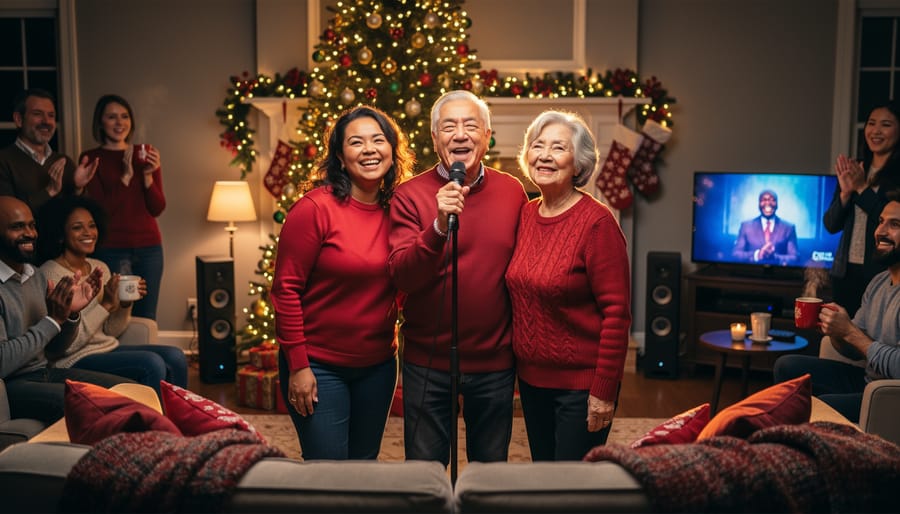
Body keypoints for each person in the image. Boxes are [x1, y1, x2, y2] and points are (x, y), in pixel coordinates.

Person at [388, 90, 528, 466]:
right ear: (435, 138)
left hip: (495, 363)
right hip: (427, 363)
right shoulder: (409, 195)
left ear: (487, 135)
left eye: (471, 125)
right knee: (426, 475)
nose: (461, 134)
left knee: (489, 474)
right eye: (449, 126)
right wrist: (437, 226)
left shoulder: (512, 192)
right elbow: (403, 275)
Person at [270, 105, 414, 460]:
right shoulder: (314, 209)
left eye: (378, 140)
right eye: (356, 142)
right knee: (328, 472)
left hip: (378, 365)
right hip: (318, 364)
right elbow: (285, 290)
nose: (369, 150)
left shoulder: (402, 211)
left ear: (392, 150)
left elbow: (407, 277)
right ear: (339, 155)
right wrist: (299, 365)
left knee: (363, 467)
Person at [505, 110, 631, 461]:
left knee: (571, 483)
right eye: (538, 145)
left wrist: (603, 390)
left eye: (558, 148)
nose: (544, 155)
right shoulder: (525, 215)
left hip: (581, 386)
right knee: (545, 475)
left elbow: (617, 314)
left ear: (578, 163)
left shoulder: (597, 224)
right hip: (531, 383)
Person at [36, 195, 187, 395]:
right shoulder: (50, 274)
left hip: (106, 348)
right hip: (72, 358)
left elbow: (111, 331)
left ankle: (180, 414)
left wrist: (123, 304)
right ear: (60, 234)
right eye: (77, 227)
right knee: (151, 363)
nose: (88, 233)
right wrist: (105, 306)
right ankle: (150, 416)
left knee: (176, 356)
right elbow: (66, 346)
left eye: (92, 226)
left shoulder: (100, 267)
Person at [0, 196, 132, 424]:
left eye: (32, 225)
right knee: (94, 406)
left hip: (44, 372)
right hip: (13, 385)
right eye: (17, 227)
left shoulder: (35, 276)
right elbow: (3, 361)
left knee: (130, 391)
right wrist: (52, 320)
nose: (30, 233)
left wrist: (69, 316)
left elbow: (54, 350)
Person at [774, 189, 900, 423]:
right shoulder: (879, 282)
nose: (880, 231)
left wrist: (850, 331)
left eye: (894, 224)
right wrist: (836, 332)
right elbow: (854, 350)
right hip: (868, 382)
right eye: (881, 221)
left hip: (890, 397)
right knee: (786, 366)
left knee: (818, 407)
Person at [82, 94, 166, 320]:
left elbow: (157, 208)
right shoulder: (91, 158)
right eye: (112, 117)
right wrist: (126, 178)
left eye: (124, 116)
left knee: (147, 315)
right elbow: (100, 212)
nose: (119, 122)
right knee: (116, 315)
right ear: (100, 122)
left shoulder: (145, 154)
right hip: (111, 249)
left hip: (150, 249)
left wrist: (148, 177)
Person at [824, 100, 900, 317]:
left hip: (880, 271)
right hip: (845, 271)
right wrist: (846, 194)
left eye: (886, 125)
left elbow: (889, 221)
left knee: (873, 331)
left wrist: (862, 188)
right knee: (842, 330)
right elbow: (831, 225)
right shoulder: (855, 169)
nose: (876, 131)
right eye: (871, 123)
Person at [0, 88, 98, 216]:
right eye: (37, 114)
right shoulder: (3, 161)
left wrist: (78, 189)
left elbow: (84, 216)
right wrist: (50, 191)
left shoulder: (64, 162)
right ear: (19, 119)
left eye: (51, 115)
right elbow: (7, 216)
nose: (46, 121)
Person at [732, 189, 798, 265]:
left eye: (772, 200)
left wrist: (775, 257)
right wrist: (757, 255)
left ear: (777, 204)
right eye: (764, 200)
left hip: (778, 271)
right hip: (752, 271)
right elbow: (736, 254)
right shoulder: (746, 226)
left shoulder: (788, 228)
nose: (768, 203)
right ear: (759, 204)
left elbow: (794, 257)